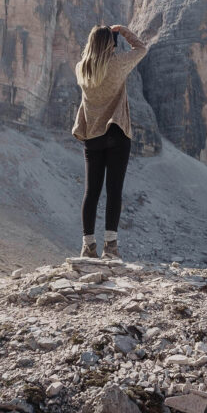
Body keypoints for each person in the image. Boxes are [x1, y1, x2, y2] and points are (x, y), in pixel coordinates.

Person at [72, 23, 148, 260]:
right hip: (116, 134)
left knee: (91, 192)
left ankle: (88, 246)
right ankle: (111, 248)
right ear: (111, 45)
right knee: (114, 191)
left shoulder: (81, 69)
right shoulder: (117, 64)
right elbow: (141, 49)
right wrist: (123, 31)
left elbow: (93, 56)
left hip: (92, 137)